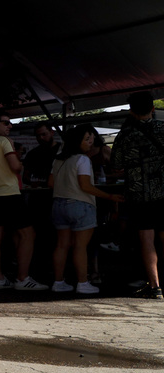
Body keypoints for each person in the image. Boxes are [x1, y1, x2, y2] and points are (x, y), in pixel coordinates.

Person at [0, 113, 48, 291]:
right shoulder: (4, 141)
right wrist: (17, 158)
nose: (9, 126)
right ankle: (22, 278)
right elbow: (15, 167)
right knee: (28, 234)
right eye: (6, 123)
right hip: (9, 194)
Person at [48, 125, 124, 294]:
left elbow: (50, 183)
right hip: (80, 205)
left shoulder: (58, 160)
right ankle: (82, 283)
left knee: (61, 245)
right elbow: (85, 186)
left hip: (58, 205)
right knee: (80, 247)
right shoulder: (82, 159)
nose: (91, 142)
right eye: (87, 139)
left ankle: (58, 282)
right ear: (78, 141)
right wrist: (110, 197)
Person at [108, 91, 164, 299]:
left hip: (139, 194)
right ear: (153, 108)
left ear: (131, 111)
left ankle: (155, 286)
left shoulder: (125, 135)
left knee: (146, 239)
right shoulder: (163, 128)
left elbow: (116, 165)